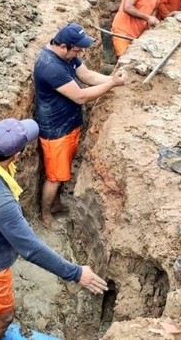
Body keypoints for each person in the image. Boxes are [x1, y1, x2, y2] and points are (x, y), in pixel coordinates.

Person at [0, 118, 109, 340]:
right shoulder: (0, 201)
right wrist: (76, 273)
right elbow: (30, 248)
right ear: (16, 155)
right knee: (3, 317)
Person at [34, 23, 127, 229]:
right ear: (64, 46)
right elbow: (80, 96)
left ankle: (57, 204)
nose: (80, 53)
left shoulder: (68, 55)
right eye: (77, 49)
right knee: (55, 177)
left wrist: (112, 79)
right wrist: (111, 85)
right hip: (55, 130)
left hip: (69, 124)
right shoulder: (50, 66)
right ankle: (46, 216)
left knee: (62, 171)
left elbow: (87, 76)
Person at [110, 0, 177, 58]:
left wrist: (151, 21)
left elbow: (154, 7)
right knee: (124, 61)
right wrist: (148, 17)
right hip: (123, 31)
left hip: (139, 33)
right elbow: (127, 7)